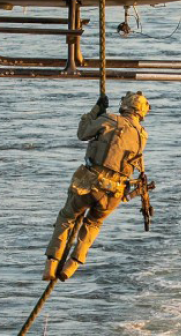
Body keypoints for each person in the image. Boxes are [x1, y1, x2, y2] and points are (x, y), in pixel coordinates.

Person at [44, 91, 150, 282]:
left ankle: (52, 264)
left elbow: (82, 133)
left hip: (91, 183)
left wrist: (96, 110)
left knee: (67, 217)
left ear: (125, 105)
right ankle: (72, 265)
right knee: (93, 224)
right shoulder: (143, 135)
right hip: (114, 192)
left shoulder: (110, 119)